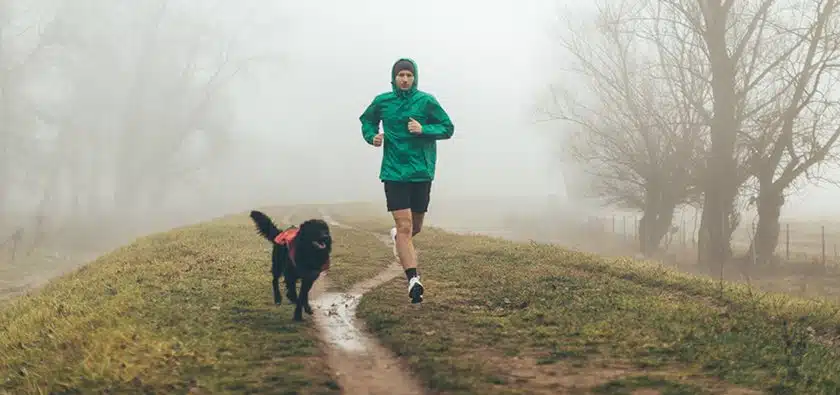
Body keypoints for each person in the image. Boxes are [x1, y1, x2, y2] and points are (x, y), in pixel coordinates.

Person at [359, 57, 455, 304]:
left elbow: (447, 127)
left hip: (421, 171)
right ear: (394, 78)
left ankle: (398, 239)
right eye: (400, 75)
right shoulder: (383, 101)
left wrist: (424, 129)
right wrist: (372, 137)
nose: (404, 79)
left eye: (408, 75)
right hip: (393, 172)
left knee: (415, 228)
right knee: (404, 227)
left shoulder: (426, 101)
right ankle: (413, 279)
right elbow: (366, 120)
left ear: (415, 78)